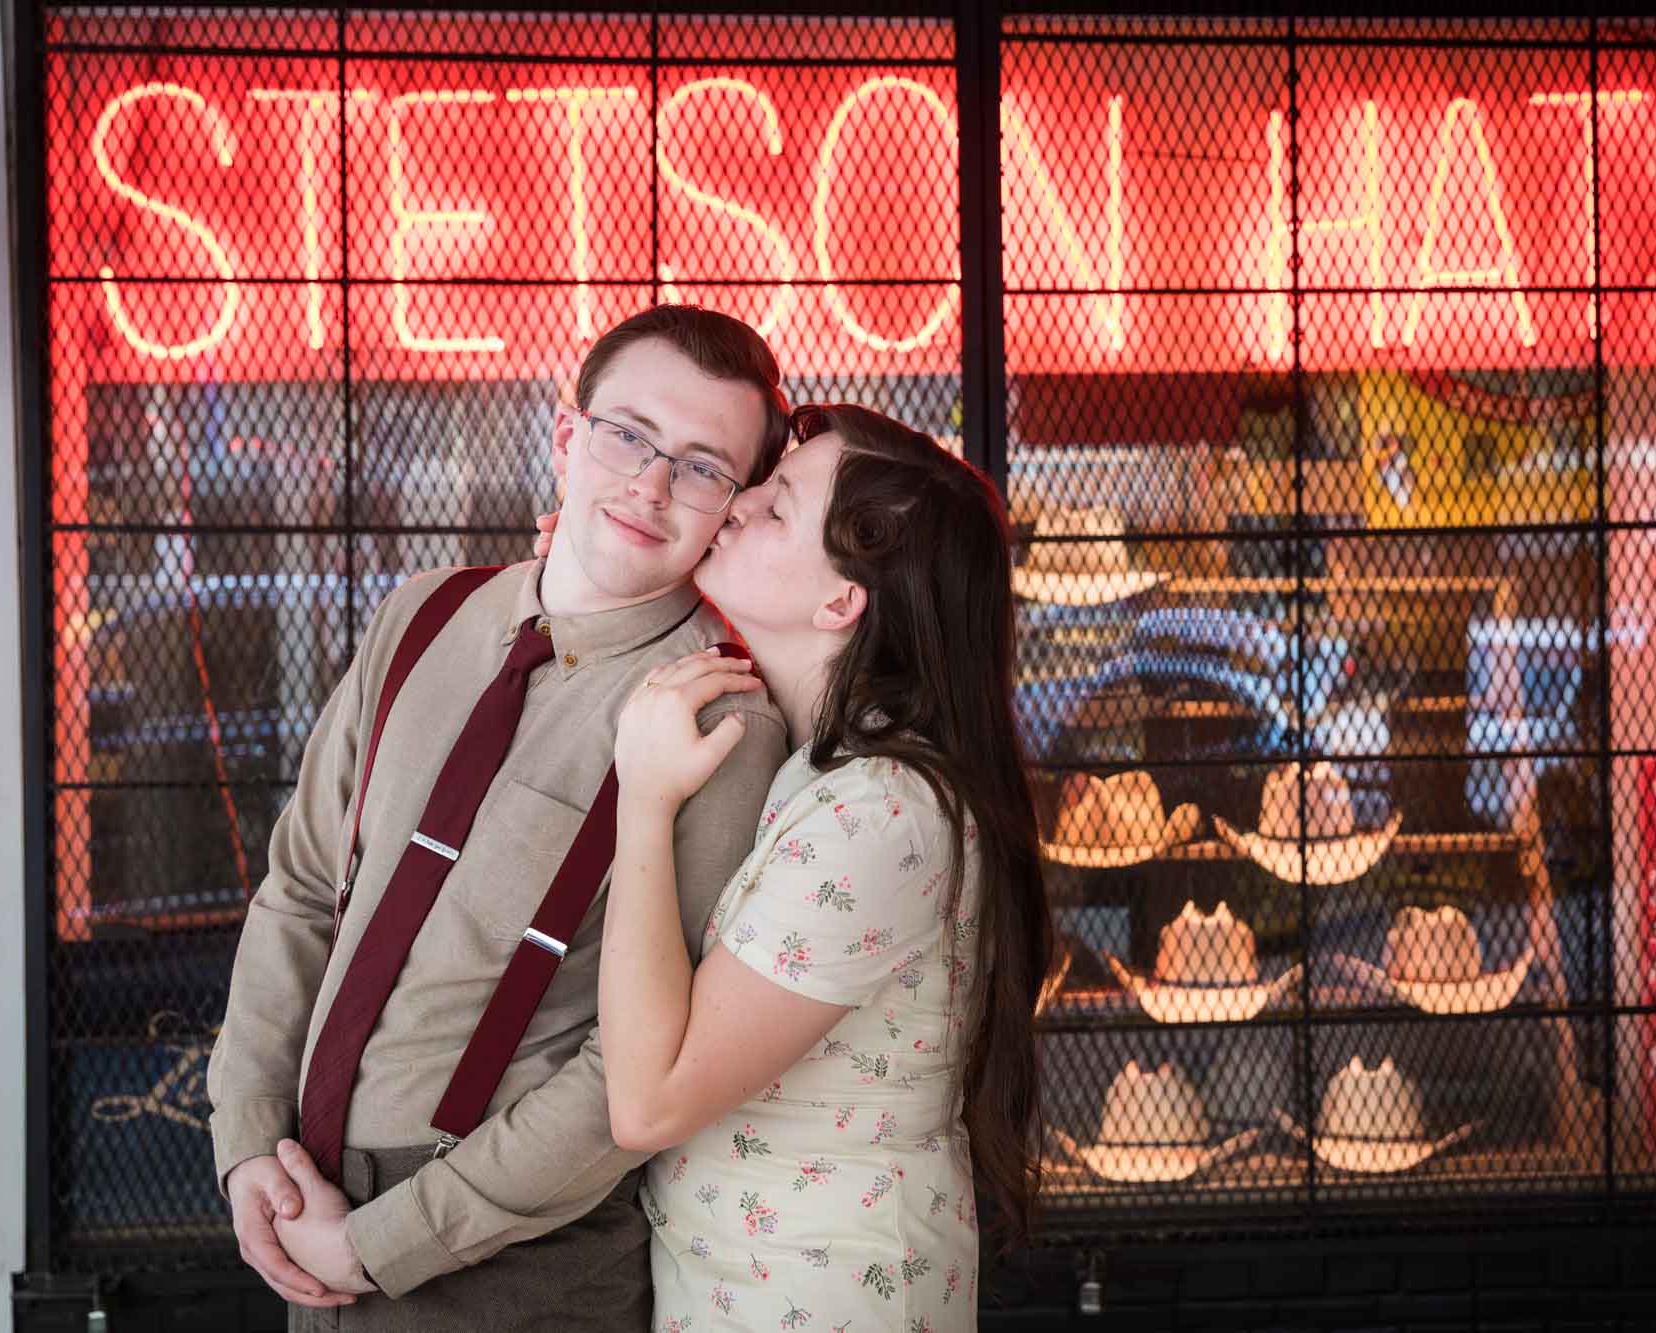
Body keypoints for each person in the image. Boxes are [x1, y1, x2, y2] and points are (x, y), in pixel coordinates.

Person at [206, 305, 793, 1330]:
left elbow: (638, 1063)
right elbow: (301, 889)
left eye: (702, 467)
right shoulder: (422, 613)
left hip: (516, 1268)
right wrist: (250, 1139)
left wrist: (380, 1243)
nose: (650, 485)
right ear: (568, 436)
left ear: (731, 508)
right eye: (628, 435)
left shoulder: (721, 720)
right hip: (304, 1200)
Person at [596, 404, 1051, 1330]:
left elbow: (646, 1103)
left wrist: (643, 801)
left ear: (842, 602)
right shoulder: (830, 768)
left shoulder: (878, 812)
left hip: (815, 1301)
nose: (737, 501)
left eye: (775, 506)